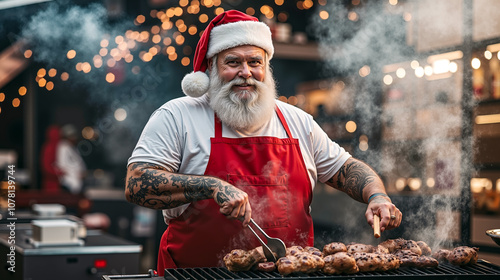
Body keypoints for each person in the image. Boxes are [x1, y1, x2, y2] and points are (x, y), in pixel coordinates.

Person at [125, 10, 402, 272]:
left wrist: (376, 196)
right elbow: (137, 183)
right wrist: (211, 186)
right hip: (195, 273)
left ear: (266, 67)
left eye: (254, 62)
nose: (245, 72)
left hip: (291, 273)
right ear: (211, 67)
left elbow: (345, 169)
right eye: (233, 62)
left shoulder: (297, 121)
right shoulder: (178, 116)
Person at [56, 124, 86, 194]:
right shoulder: (63, 147)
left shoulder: (73, 148)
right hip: (68, 184)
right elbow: (62, 166)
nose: (74, 138)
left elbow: (79, 163)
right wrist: (75, 173)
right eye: (72, 136)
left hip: (76, 185)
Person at [40, 125, 63, 192]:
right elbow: (46, 167)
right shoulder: (49, 148)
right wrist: (59, 173)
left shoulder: (60, 147)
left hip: (58, 182)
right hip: (52, 183)